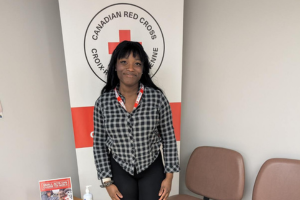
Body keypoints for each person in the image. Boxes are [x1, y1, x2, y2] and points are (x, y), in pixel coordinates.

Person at [93, 41, 180, 200]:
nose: (130, 68)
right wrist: (107, 182)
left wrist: (169, 177)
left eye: (137, 63)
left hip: (152, 167)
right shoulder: (103, 102)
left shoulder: (157, 99)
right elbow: (99, 143)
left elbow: (168, 138)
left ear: (143, 69)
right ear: (115, 66)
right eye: (124, 62)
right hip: (120, 167)